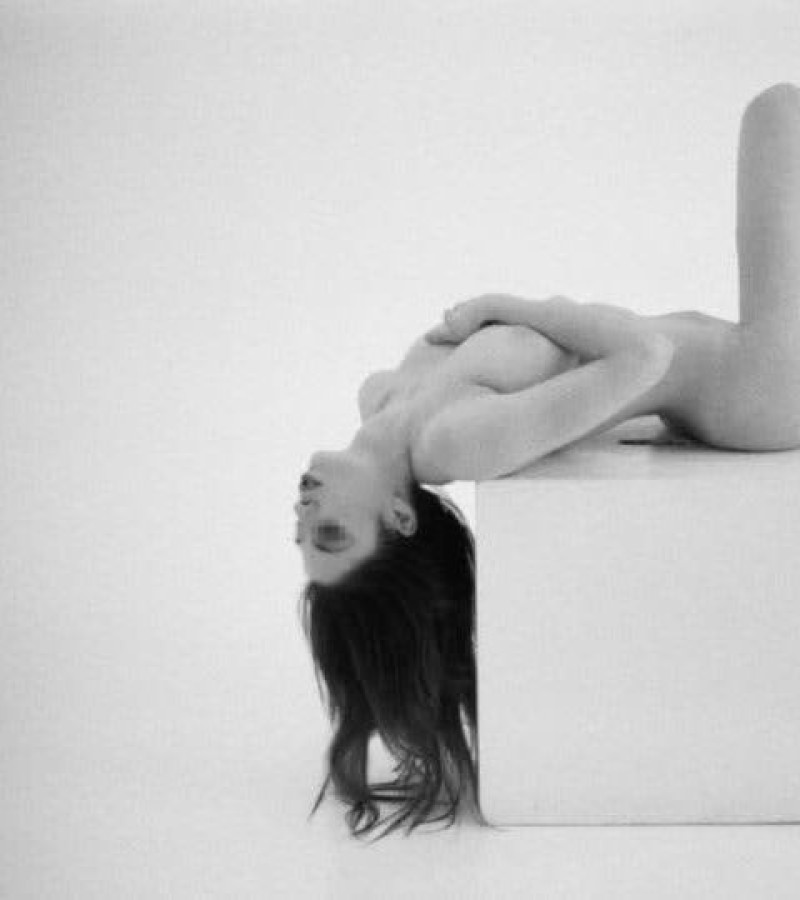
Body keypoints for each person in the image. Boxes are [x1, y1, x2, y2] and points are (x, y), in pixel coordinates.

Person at [296, 82, 800, 840]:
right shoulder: (454, 440)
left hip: (730, 364)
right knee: (779, 111)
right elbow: (645, 356)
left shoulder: (382, 398)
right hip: (762, 381)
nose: (305, 513)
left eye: (303, 534)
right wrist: (516, 306)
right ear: (398, 516)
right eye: (332, 535)